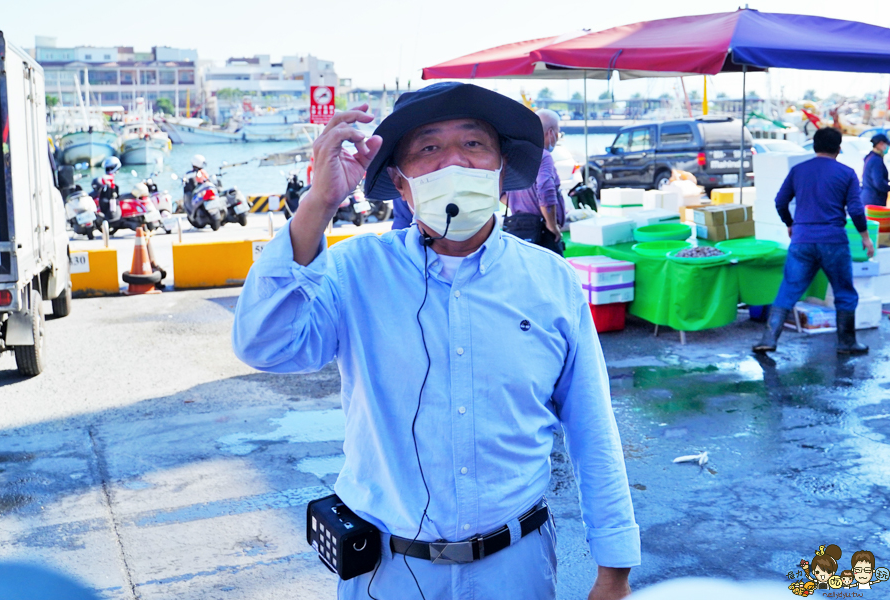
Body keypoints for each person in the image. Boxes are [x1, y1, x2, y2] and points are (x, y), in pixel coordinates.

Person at [232, 82, 639, 600]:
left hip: (517, 567)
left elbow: (593, 429)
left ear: (499, 173)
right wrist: (320, 202)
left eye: (474, 144)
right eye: (428, 148)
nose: (454, 163)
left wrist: (614, 570)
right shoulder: (356, 270)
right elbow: (264, 344)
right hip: (386, 572)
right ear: (400, 184)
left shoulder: (551, 281)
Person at [754, 127, 874, 355]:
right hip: (833, 241)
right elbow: (857, 210)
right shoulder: (847, 173)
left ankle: (768, 339)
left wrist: (790, 223)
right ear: (839, 149)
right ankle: (846, 343)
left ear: (815, 146)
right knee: (844, 291)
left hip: (802, 240)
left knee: (789, 288)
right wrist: (865, 238)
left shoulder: (798, 170)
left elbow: (780, 201)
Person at [503, 109, 566, 255]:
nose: (558, 136)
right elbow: (545, 189)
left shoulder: (517, 155)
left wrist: (522, 205)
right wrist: (552, 226)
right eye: (558, 132)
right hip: (542, 232)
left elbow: (500, 190)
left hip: (519, 229)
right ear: (550, 133)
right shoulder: (543, 156)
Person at [861, 133, 890, 207]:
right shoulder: (876, 160)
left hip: (868, 198)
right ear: (880, 144)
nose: (887, 148)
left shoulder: (870, 157)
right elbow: (879, 183)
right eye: (886, 145)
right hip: (874, 200)